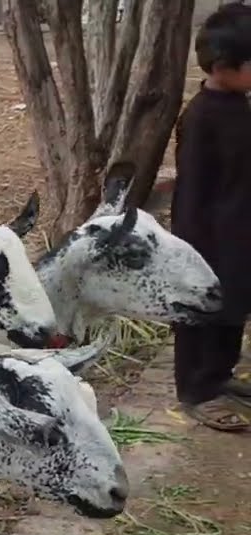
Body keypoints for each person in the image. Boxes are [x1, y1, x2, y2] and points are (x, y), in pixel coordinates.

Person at [170, 2, 251, 431]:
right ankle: (196, 390)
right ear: (223, 66)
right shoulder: (200, 118)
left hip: (240, 233)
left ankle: (220, 375)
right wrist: (189, 251)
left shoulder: (240, 103)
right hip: (209, 238)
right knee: (203, 315)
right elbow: (192, 191)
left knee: (234, 311)